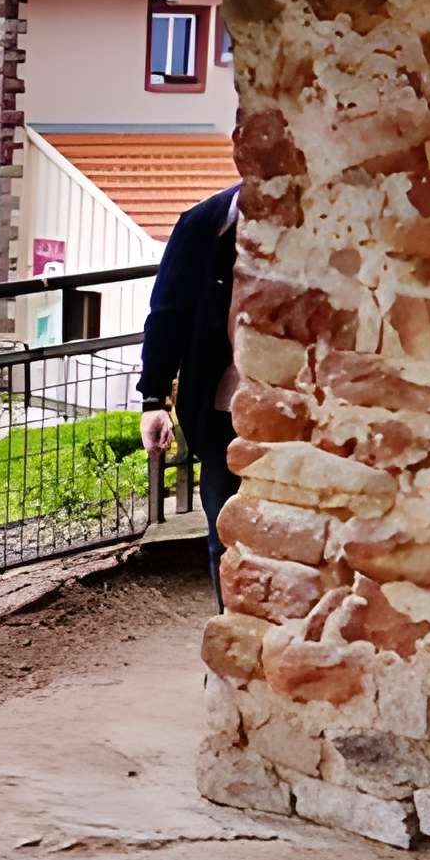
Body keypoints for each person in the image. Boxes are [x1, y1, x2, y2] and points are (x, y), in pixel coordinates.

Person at [140, 180, 241, 599]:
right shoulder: (204, 224)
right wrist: (153, 398)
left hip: (298, 411)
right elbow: (168, 313)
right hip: (220, 414)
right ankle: (231, 648)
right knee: (225, 537)